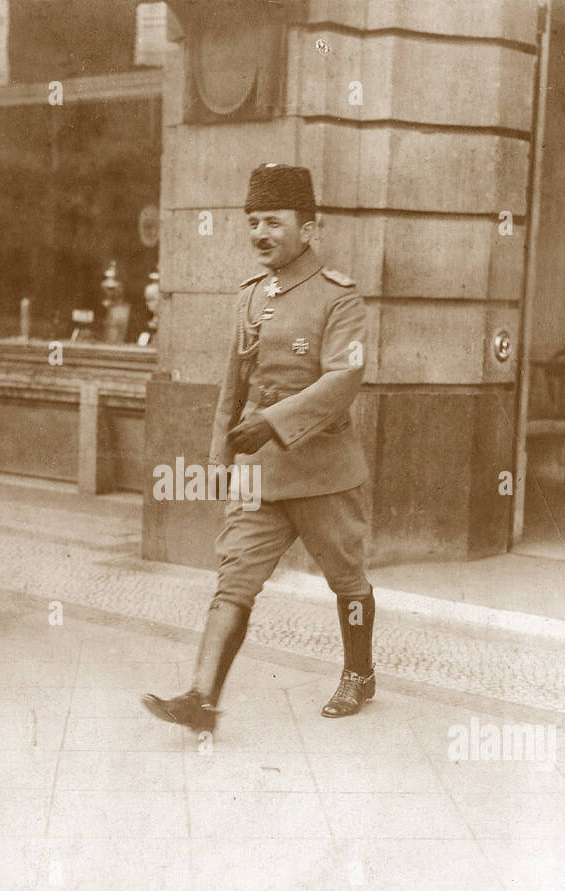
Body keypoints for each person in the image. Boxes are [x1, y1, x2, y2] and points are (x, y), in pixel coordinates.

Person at [143, 163, 376, 735]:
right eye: (252, 222)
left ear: (309, 228)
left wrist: (272, 423)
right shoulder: (250, 296)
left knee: (347, 581)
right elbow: (233, 382)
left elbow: (343, 379)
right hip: (258, 474)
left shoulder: (339, 299)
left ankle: (359, 673)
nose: (260, 234)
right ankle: (201, 698)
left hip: (323, 471)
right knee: (234, 579)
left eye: (273, 221)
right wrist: (221, 458)